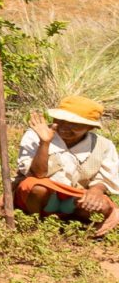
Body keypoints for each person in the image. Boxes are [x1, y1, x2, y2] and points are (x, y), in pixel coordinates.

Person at [16, 96, 119, 234]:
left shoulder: (104, 145)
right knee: (37, 187)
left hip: (75, 196)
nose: (64, 127)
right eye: (60, 121)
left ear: (90, 127)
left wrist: (96, 191)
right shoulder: (35, 135)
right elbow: (38, 174)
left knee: (104, 206)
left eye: (74, 124)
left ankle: (73, 223)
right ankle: (36, 224)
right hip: (40, 196)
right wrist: (44, 143)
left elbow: (105, 179)